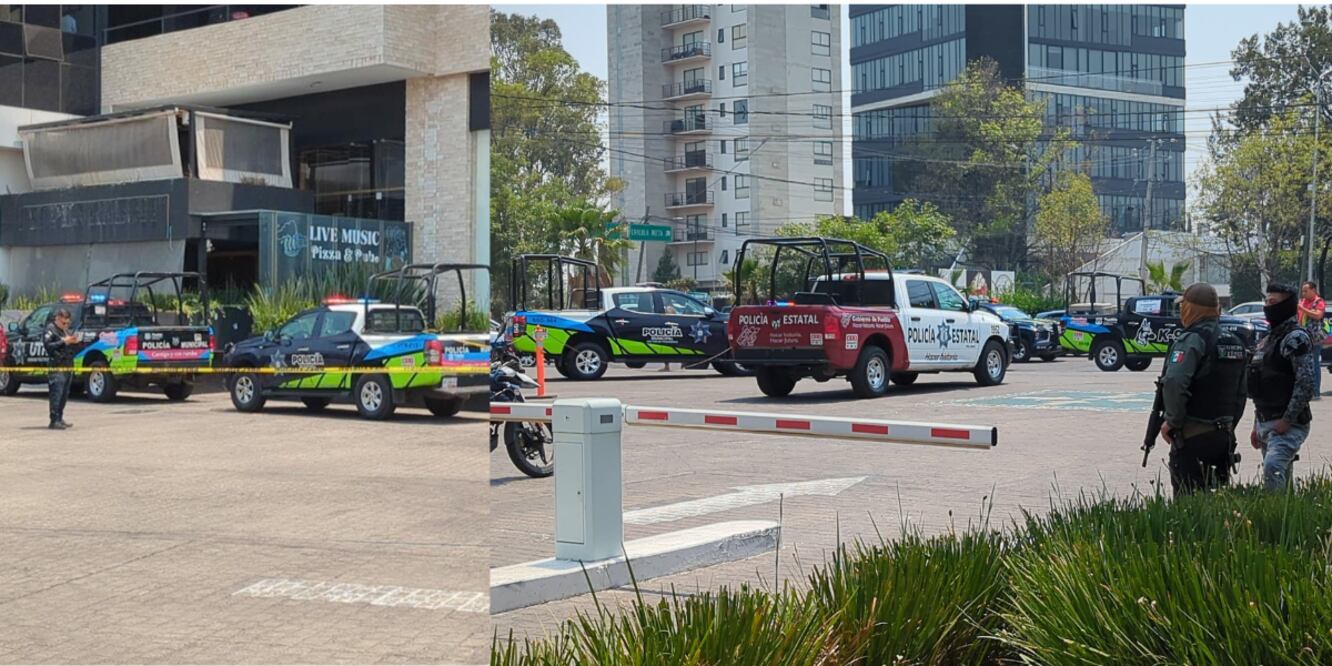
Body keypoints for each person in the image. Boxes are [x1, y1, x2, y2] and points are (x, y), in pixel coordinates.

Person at [1157, 283, 1249, 496]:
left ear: (1191, 308)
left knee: (1188, 509)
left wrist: (1172, 421)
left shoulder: (1192, 340)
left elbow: (1174, 382)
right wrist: (1229, 425)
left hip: (1193, 437)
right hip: (1224, 437)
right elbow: (1241, 393)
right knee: (1215, 505)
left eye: (1184, 306)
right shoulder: (1235, 341)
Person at [1249, 282, 1318, 491]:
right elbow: (1262, 384)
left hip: (1287, 423)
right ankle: (1290, 516)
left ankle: (1275, 517)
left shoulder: (1296, 338)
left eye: (1274, 302)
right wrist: (1256, 424)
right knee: (1282, 477)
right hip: (1265, 421)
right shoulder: (1268, 340)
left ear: (1288, 305)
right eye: (1267, 302)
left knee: (1273, 467)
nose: (1269, 306)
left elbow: (1305, 383)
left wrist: (1287, 420)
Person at [43, 308, 80, 430]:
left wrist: (73, 341)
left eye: (68, 323)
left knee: (64, 395)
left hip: (67, 366)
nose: (66, 325)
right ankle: (54, 420)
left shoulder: (64, 331)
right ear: (58, 318)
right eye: (64, 323)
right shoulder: (50, 329)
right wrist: (63, 341)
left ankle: (60, 418)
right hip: (57, 367)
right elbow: (48, 346)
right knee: (56, 394)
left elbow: (68, 345)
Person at [1298, 281, 1326, 400]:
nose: (1303, 293)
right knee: (1304, 365)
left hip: (1314, 337)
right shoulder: (1303, 302)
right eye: (1302, 291)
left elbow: (1318, 315)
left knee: (1314, 364)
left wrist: (1302, 308)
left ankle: (1316, 392)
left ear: (1313, 290)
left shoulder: (1318, 302)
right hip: (1303, 337)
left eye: (1306, 291)